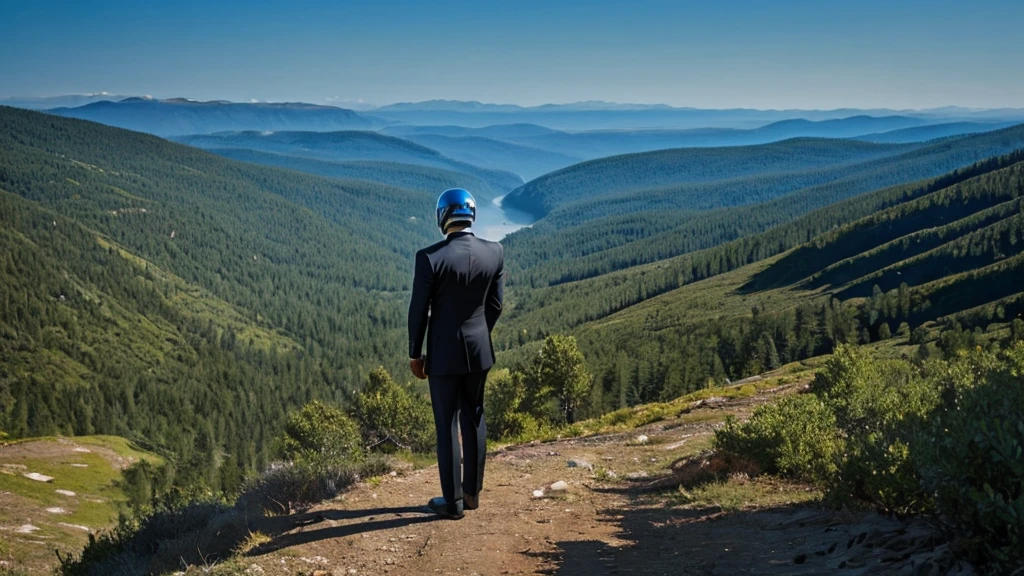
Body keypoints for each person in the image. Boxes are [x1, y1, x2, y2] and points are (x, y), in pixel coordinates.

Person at [408, 188, 505, 520]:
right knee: (474, 418)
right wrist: (478, 333)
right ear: (471, 215)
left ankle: (452, 504)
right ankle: (472, 494)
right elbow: (495, 305)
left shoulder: (430, 257)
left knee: (447, 425)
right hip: (480, 353)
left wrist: (414, 353)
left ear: (442, 216)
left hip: (442, 354)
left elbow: (418, 311)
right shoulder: (495, 252)